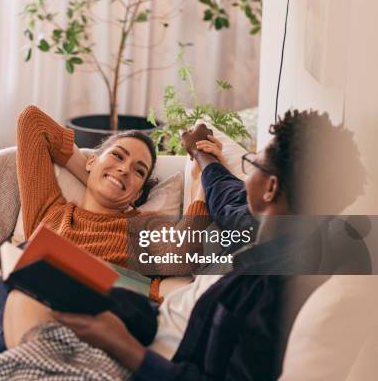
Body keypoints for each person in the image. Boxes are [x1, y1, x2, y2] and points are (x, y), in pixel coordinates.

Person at [0, 105, 209, 380]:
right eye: (117, 156)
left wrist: (199, 182)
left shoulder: (138, 229)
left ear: (138, 191)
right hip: (15, 324)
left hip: (77, 333)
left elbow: (182, 255)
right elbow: (32, 122)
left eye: (138, 172)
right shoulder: (50, 208)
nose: (124, 170)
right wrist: (89, 170)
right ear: (92, 160)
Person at [53, 109, 369, 380]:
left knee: (13, 299)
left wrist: (121, 344)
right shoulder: (258, 226)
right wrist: (200, 153)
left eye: (253, 164)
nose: (245, 178)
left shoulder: (274, 294)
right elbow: (225, 189)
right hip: (149, 320)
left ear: (271, 187)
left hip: (146, 357)